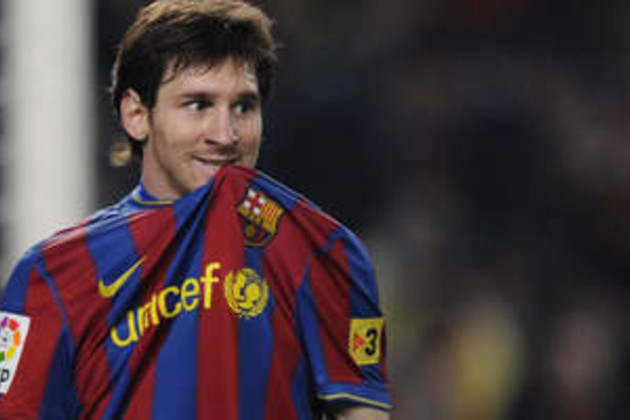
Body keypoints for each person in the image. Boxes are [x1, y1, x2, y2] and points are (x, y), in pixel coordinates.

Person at [0, 0, 391, 418]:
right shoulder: (51, 273)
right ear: (136, 114)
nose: (225, 134)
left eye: (243, 106)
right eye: (198, 104)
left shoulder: (324, 252)